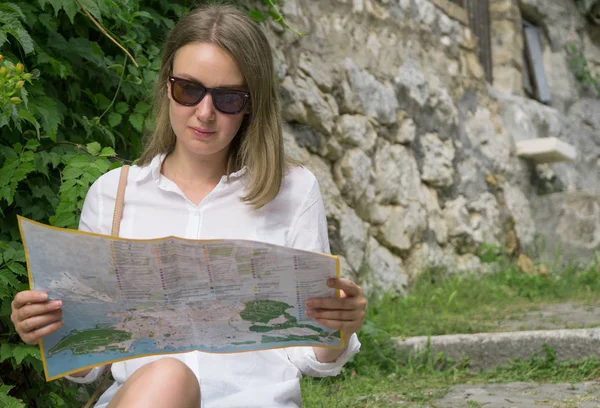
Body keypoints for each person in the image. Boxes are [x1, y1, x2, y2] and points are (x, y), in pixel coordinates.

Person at [10, 4, 366, 407]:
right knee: (168, 378)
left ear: (251, 104)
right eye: (189, 90)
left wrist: (337, 329)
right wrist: (48, 328)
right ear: (166, 85)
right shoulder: (113, 195)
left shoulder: (294, 191)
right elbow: (87, 366)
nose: (204, 113)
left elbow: (310, 356)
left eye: (228, 98)